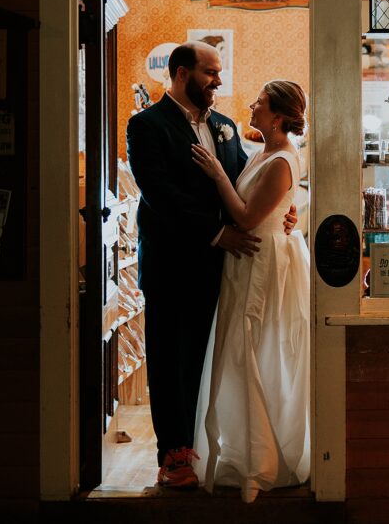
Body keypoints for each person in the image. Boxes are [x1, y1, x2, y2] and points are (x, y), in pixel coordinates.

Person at [126, 41, 297, 490]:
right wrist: (216, 232)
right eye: (210, 72)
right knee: (169, 357)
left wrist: (283, 209)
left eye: (218, 73)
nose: (219, 81)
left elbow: (244, 184)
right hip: (171, 260)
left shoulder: (224, 126)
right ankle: (174, 454)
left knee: (205, 359)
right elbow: (159, 192)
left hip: (221, 266)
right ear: (182, 74)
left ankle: (205, 442)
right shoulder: (146, 125)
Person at [190, 80, 311, 503]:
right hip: (245, 263)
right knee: (241, 356)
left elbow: (245, 216)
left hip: (261, 265)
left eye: (259, 104)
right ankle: (243, 453)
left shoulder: (281, 161)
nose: (251, 107)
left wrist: (217, 172)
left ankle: (261, 464)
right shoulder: (263, 152)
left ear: (277, 116)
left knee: (255, 355)